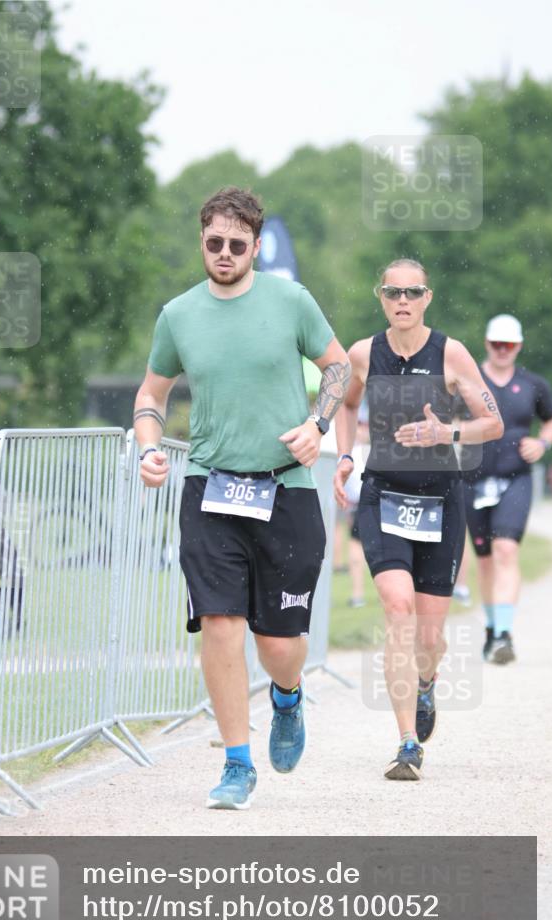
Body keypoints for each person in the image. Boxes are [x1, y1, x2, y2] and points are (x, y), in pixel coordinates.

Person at [133, 187, 350, 809]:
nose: (224, 253)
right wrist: (149, 446)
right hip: (210, 486)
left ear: (255, 246)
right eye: (214, 243)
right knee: (220, 623)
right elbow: (151, 394)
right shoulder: (178, 315)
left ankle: (286, 695)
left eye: (236, 244)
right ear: (201, 242)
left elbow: (338, 368)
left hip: (285, 488)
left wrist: (317, 426)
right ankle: (236, 762)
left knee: (278, 645)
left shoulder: (291, 301)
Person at [334, 259, 504, 781]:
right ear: (381, 297)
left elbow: (492, 423)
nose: (402, 300)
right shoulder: (362, 353)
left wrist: (445, 434)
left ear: (427, 297)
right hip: (383, 494)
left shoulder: (451, 353)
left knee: (429, 638)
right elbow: (345, 404)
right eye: (393, 292)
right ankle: (407, 743)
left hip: (440, 500)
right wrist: (346, 455)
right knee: (398, 609)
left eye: (412, 292)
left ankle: (426, 682)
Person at [461, 314, 552, 664]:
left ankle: (504, 633)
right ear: (487, 344)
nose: (502, 350)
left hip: (516, 478)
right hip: (471, 479)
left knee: (506, 550)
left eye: (509, 345)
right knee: (485, 560)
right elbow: (447, 420)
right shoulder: (468, 382)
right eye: (497, 343)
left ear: (518, 346)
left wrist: (542, 443)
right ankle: (491, 628)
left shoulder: (533, 384)